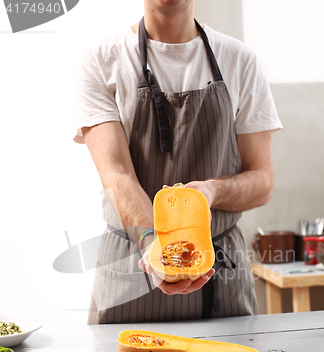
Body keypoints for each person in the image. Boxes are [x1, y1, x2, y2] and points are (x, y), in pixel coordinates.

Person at [74, 0, 282, 324]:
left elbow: (262, 181)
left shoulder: (241, 60)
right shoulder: (100, 59)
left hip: (221, 276)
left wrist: (214, 191)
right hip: (130, 269)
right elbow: (117, 175)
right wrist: (153, 245)